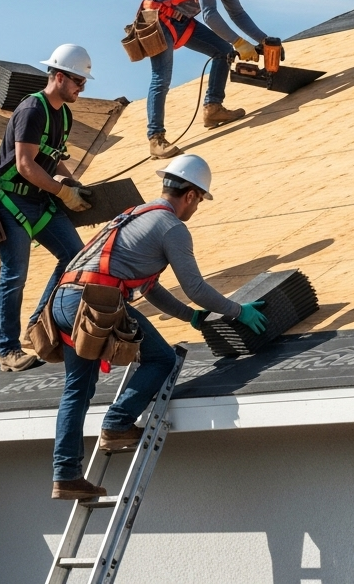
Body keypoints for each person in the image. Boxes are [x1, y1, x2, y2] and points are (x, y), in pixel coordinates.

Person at [48, 154, 268, 500]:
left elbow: (149, 286)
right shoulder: (173, 228)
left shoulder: (136, 215)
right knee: (161, 359)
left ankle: (66, 476)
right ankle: (118, 424)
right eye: (199, 201)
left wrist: (190, 317)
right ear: (192, 195)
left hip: (63, 300)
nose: (196, 209)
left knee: (77, 390)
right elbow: (196, 287)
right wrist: (237, 311)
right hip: (95, 302)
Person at [0, 44, 94, 372]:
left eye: (84, 83)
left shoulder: (64, 114)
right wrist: (63, 192)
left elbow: (54, 160)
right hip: (9, 200)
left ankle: (37, 326)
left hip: (38, 199)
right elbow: (24, 165)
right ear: (59, 77)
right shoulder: (32, 110)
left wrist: (74, 187)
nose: (81, 89)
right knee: (14, 274)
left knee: (75, 258)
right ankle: (8, 350)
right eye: (78, 81)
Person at [143, 0, 280, 160]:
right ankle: (156, 139)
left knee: (223, 51)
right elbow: (209, 14)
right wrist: (239, 41)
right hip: (157, 19)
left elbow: (237, 13)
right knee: (162, 78)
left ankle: (213, 109)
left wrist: (263, 40)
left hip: (180, 20)